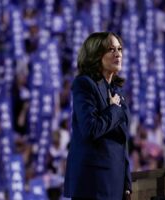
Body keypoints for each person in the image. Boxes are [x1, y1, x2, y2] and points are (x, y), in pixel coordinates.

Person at [64, 32, 132, 200]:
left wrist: (127, 182)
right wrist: (114, 109)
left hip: (115, 184)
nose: (118, 54)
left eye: (119, 49)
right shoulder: (84, 84)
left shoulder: (117, 92)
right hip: (93, 183)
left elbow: (121, 141)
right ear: (96, 55)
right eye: (111, 49)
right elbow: (90, 129)